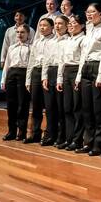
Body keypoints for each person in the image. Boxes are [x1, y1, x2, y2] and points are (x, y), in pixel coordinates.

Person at [75, 3, 101, 156]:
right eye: (87, 12)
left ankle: (99, 144)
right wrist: (78, 76)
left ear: (100, 13)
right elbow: (83, 54)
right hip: (86, 68)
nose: (89, 15)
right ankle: (88, 142)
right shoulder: (88, 30)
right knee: (87, 109)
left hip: (97, 68)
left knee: (98, 109)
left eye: (93, 12)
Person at [56, 14, 86, 151]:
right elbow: (62, 60)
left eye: (74, 23)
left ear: (82, 25)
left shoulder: (83, 39)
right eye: (70, 23)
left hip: (76, 72)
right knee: (67, 108)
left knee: (77, 108)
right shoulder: (67, 40)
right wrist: (60, 78)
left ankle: (77, 140)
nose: (71, 25)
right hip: (66, 71)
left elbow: (82, 60)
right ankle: (69, 139)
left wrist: (79, 77)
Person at [25, 17, 55, 144]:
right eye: (40, 25)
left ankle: (49, 135)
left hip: (49, 72)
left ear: (52, 27)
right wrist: (28, 80)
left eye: (45, 25)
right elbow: (31, 61)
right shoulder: (37, 42)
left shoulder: (55, 40)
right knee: (36, 106)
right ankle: (35, 134)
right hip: (36, 73)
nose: (42, 28)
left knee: (49, 106)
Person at [0, 24, 32, 142]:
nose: (20, 34)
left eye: (22, 32)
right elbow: (7, 65)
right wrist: (3, 79)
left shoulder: (31, 47)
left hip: (24, 74)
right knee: (11, 104)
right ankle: (11, 131)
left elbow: (31, 66)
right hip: (11, 74)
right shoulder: (11, 47)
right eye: (18, 32)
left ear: (28, 34)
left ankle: (21, 132)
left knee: (23, 104)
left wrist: (29, 81)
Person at [41, 15, 69, 146]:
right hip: (50, 72)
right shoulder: (50, 41)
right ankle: (49, 134)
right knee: (49, 107)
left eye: (60, 24)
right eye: (56, 23)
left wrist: (59, 78)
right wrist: (44, 77)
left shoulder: (68, 40)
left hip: (61, 73)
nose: (57, 26)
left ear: (66, 25)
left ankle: (61, 135)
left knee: (60, 108)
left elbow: (63, 62)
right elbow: (46, 60)